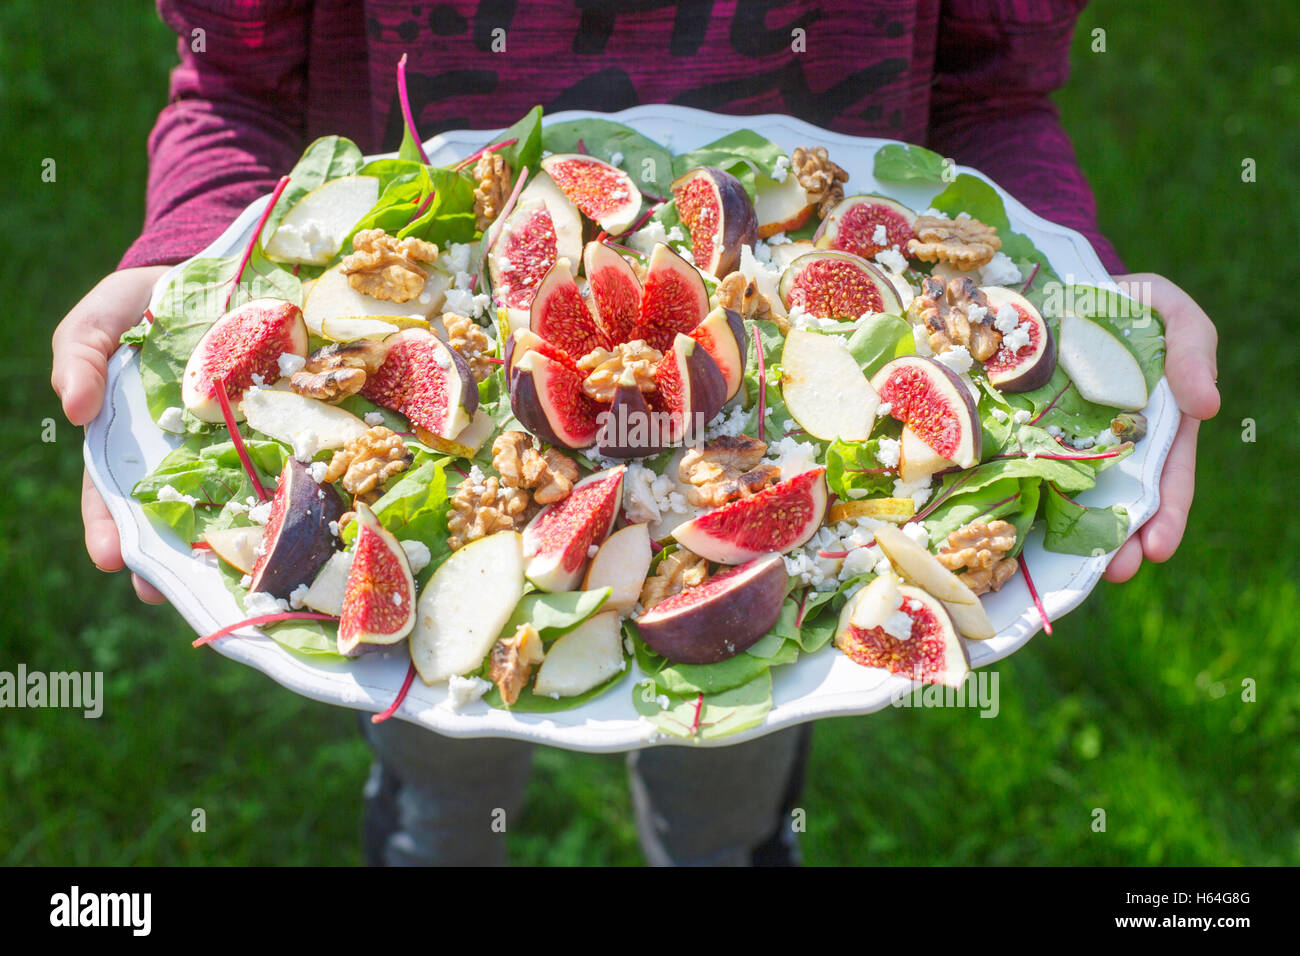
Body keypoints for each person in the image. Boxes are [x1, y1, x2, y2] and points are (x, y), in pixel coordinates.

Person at [51, 1, 1220, 866]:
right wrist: (189, 266)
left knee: (730, 776)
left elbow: (991, 97)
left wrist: (1072, 299)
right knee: (440, 736)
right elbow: (236, 88)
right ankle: (429, 832)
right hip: (417, 467)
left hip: (779, 485)